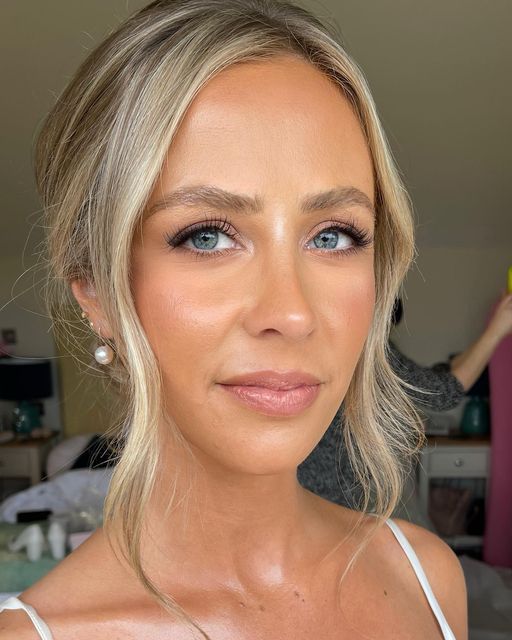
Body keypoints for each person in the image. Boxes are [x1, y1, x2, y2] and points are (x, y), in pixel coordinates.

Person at [0, 1, 467, 638]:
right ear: (97, 290)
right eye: (207, 236)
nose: (293, 313)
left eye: (333, 236)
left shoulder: (429, 577)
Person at [298, 293, 512, 506]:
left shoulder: (321, 340)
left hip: (305, 487)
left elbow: (439, 380)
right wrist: (496, 330)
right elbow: (442, 394)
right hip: (331, 494)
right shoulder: (365, 348)